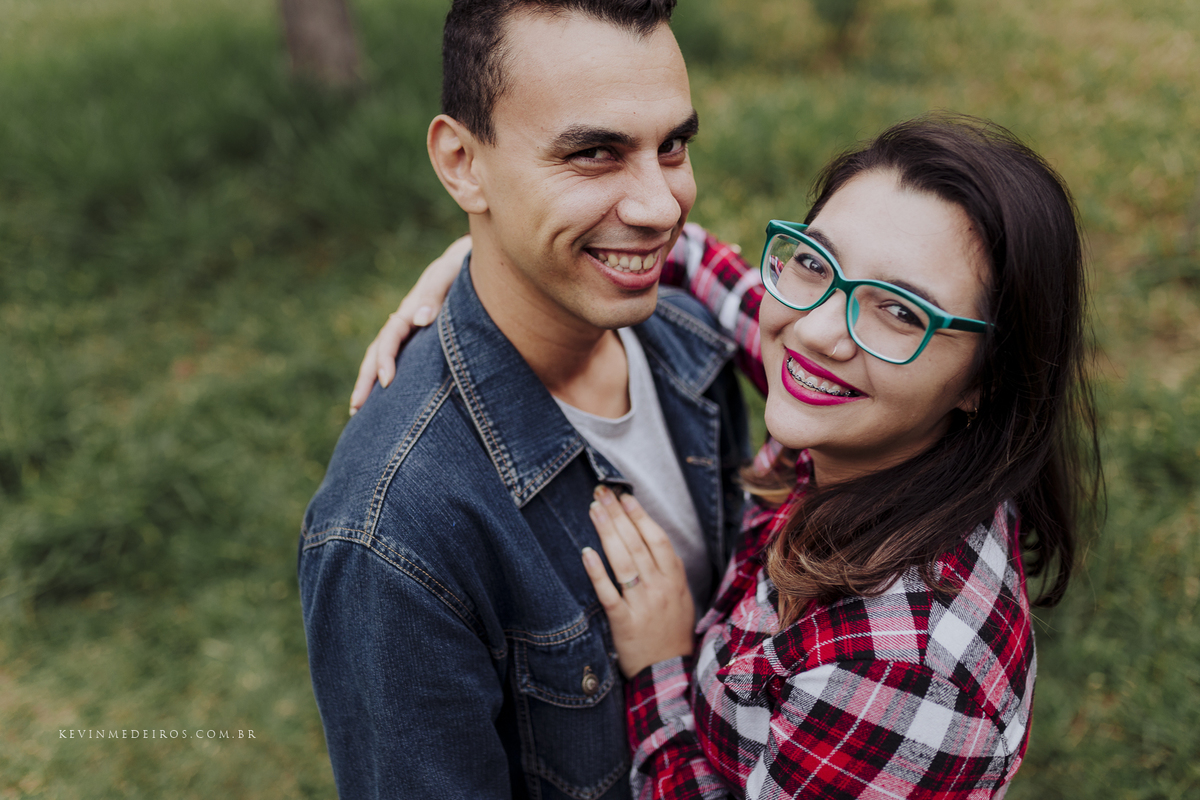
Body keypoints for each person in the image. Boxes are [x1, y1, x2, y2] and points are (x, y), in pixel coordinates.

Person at [363, 116, 1100, 797]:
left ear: (987, 380)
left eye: (899, 311)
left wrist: (659, 665)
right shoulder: (867, 409)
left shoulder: (904, 668)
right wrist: (500, 255)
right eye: (815, 263)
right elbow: (711, 272)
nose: (814, 333)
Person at [299, 2, 753, 798]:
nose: (660, 208)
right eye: (594, 154)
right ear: (462, 163)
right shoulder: (397, 529)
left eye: (672, 145)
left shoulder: (694, 344)